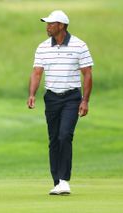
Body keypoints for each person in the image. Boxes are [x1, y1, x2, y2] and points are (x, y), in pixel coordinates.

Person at [27, 10, 93, 195]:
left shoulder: (79, 45)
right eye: (47, 23)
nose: (47, 27)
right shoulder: (42, 47)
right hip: (52, 98)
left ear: (62, 26)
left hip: (72, 98)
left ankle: (64, 180)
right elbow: (37, 72)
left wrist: (85, 100)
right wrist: (32, 94)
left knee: (65, 135)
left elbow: (87, 74)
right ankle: (57, 182)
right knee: (54, 139)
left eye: (51, 23)